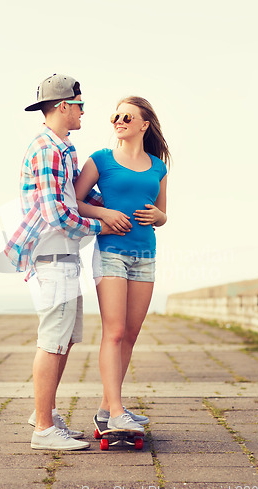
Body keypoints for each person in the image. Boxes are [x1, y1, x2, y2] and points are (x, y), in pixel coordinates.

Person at [4, 74, 124, 450]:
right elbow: (58, 214)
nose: (84, 111)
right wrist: (103, 226)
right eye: (80, 105)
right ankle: (43, 429)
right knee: (52, 342)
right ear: (62, 107)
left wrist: (103, 203)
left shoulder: (64, 148)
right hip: (52, 257)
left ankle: (47, 414)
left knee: (66, 340)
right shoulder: (47, 150)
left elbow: (73, 196)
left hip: (64, 257)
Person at [74, 96, 170, 432]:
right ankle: (116, 413)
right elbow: (76, 202)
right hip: (111, 251)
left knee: (130, 334)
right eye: (115, 115)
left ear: (144, 124)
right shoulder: (99, 160)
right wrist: (104, 213)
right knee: (113, 333)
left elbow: (162, 214)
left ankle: (106, 409)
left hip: (145, 255)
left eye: (127, 116)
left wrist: (160, 216)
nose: (119, 120)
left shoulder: (159, 166)